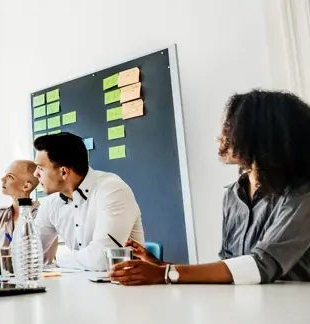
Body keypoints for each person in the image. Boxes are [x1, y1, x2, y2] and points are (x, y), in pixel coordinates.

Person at [111, 90, 310, 285]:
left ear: (260, 134)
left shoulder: (302, 194)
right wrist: (159, 266)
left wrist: (165, 274)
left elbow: (261, 265)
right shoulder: (234, 195)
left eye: (230, 127)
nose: (221, 137)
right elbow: (231, 268)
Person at [33, 132, 145, 271]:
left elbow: (101, 260)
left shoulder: (112, 190)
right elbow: (29, 254)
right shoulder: (51, 203)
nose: (35, 174)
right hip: (82, 287)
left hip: (123, 288)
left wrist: (60, 259)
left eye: (41, 168)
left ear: (64, 172)